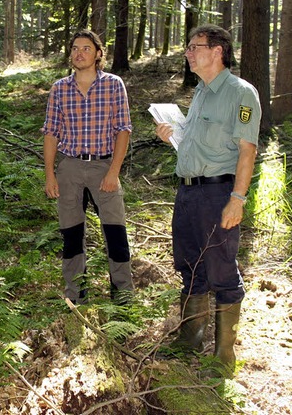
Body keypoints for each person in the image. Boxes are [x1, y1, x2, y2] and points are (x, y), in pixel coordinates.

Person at [155, 24, 261, 378]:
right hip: (187, 192)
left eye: (194, 47)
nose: (188, 53)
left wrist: (237, 199)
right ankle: (190, 341)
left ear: (217, 51)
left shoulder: (241, 93)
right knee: (189, 267)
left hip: (218, 194)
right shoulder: (200, 92)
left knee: (221, 272)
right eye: (188, 47)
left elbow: (247, 151)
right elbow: (197, 143)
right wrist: (173, 134)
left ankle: (223, 359)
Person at [42, 29, 134, 305]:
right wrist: (49, 174)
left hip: (104, 165)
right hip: (69, 167)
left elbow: (123, 130)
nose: (78, 53)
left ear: (98, 54)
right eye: (74, 49)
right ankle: (76, 295)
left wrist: (114, 172)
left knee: (115, 231)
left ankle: (123, 296)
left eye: (85, 48)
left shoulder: (113, 85)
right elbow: (51, 133)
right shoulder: (60, 88)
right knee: (71, 234)